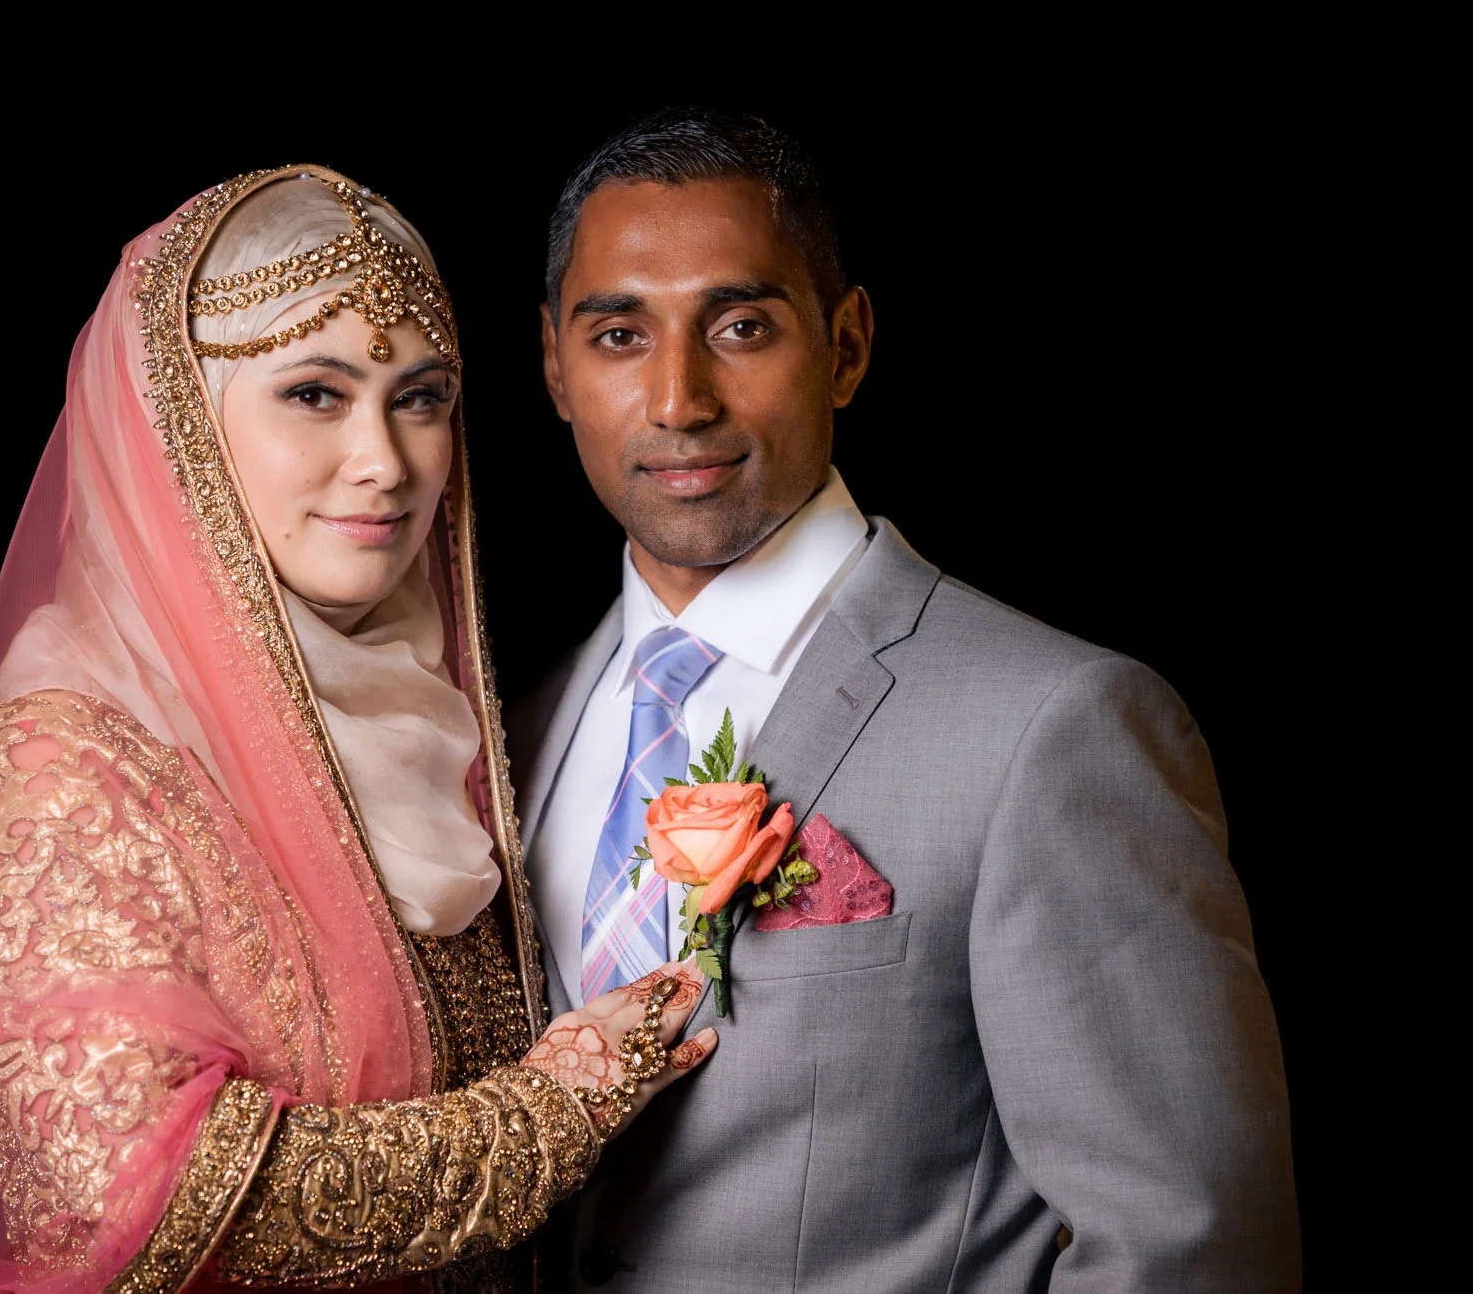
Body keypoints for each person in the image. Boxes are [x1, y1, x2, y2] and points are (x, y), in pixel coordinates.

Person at [0, 163, 720, 1294]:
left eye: (419, 398)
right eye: (316, 394)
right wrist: (550, 1111)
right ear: (181, 419)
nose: (385, 462)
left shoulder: (444, 715)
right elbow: (127, 1202)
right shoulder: (65, 754)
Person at [513, 109, 1304, 1290]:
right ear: (554, 367)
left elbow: (1192, 1245)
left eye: (739, 327)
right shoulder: (514, 736)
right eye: (620, 335)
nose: (678, 398)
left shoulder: (1052, 727)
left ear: (844, 346)